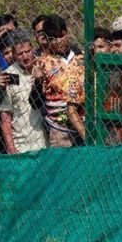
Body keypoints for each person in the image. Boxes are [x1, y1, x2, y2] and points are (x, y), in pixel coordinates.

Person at [31, 15, 85, 147]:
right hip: (59, 130)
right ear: (47, 39)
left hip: (85, 123)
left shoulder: (81, 58)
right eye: (53, 38)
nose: (58, 41)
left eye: (61, 36)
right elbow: (34, 102)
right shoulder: (43, 62)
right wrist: (38, 81)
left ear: (67, 32)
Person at [0, 31, 48, 154]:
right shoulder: (9, 76)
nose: (25, 57)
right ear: (14, 55)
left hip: (47, 142)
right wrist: (11, 149)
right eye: (20, 54)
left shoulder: (44, 66)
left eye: (28, 51)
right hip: (22, 145)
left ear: (33, 49)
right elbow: (5, 116)